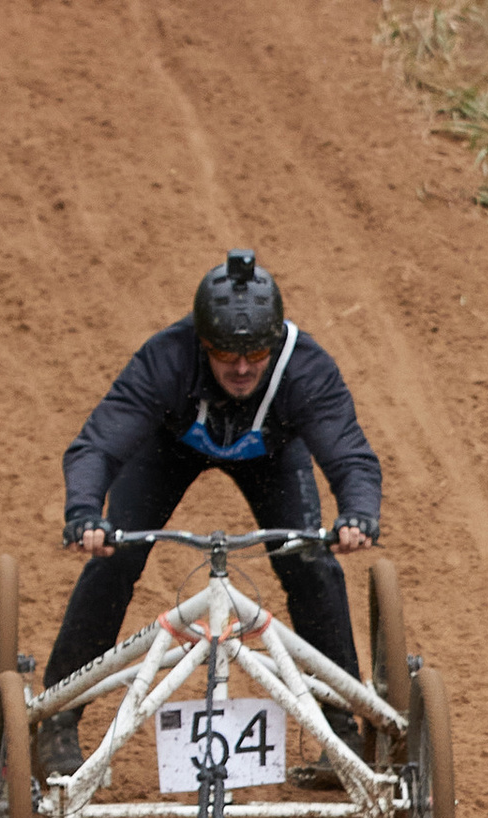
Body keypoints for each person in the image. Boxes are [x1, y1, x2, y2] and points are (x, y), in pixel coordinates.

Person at [41, 250, 382, 782]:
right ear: (202, 342)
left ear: (275, 342)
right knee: (116, 559)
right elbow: (98, 446)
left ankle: (340, 727)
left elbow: (350, 456)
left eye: (256, 353)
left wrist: (358, 513)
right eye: (226, 353)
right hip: (167, 449)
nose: (242, 368)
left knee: (310, 564)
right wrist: (85, 513)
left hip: (271, 456)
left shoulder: (305, 368)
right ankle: (58, 719)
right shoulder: (166, 359)